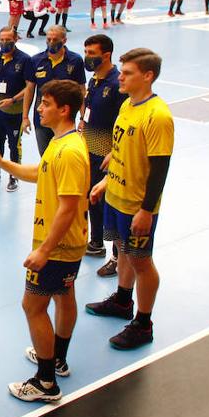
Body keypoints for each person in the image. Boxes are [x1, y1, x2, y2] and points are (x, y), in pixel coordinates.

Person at [0, 79, 88, 403]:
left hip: (58, 246)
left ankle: (46, 382)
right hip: (67, 244)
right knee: (64, 295)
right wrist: (2, 163)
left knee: (33, 306)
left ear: (64, 110)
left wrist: (45, 250)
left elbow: (68, 208)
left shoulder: (70, 151)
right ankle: (58, 359)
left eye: (45, 104)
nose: (38, 108)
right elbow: (40, 173)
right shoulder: (62, 141)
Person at [85, 48, 174, 351]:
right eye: (121, 72)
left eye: (127, 73)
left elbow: (160, 168)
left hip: (137, 204)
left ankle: (143, 324)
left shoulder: (157, 116)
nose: (120, 77)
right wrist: (106, 181)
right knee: (122, 249)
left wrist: (146, 210)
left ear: (147, 76)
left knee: (141, 261)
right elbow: (122, 150)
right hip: (116, 196)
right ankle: (123, 300)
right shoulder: (127, 104)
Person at [80, 34, 125, 276]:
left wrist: (115, 153)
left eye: (92, 53)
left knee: (110, 205)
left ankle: (117, 257)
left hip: (108, 157)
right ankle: (96, 242)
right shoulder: (94, 80)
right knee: (92, 199)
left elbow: (123, 124)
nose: (87, 57)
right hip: (90, 152)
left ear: (106, 55)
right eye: (86, 52)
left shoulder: (118, 85)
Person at [0, 26, 31, 192]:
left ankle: (14, 175)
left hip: (16, 112)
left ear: (15, 39)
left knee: (14, 146)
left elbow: (29, 87)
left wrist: (13, 99)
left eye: (8, 40)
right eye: (1, 40)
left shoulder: (24, 60)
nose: (4, 43)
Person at [23, 25, 86, 158]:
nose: (51, 42)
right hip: (42, 118)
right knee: (45, 157)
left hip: (65, 119)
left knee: (64, 155)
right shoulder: (35, 60)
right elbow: (29, 89)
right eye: (49, 39)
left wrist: (82, 118)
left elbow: (81, 90)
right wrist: (25, 117)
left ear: (64, 40)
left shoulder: (75, 61)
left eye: (55, 39)